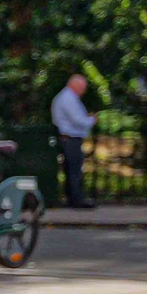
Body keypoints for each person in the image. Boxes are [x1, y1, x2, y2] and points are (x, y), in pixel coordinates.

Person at [51, 71, 97, 208]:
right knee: (75, 170)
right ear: (74, 85)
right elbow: (78, 120)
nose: (83, 91)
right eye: (82, 87)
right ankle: (76, 200)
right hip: (71, 138)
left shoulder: (68, 97)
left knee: (72, 169)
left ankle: (73, 198)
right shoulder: (68, 98)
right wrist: (91, 120)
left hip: (70, 138)